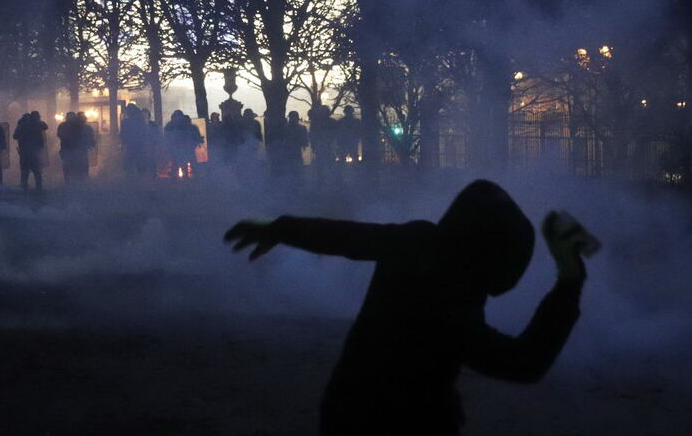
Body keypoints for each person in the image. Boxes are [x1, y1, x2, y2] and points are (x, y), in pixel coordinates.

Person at [224, 180, 590, 436]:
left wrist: (280, 228)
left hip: (345, 408)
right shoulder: (451, 304)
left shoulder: (416, 240)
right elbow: (522, 363)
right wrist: (569, 280)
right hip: (408, 423)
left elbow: (348, 237)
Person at [13, 111, 47, 192]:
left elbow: (15, 136)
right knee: (36, 170)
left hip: (25, 150)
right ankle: (38, 187)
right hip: (31, 150)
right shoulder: (35, 124)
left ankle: (25, 186)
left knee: (26, 170)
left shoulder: (22, 125)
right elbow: (45, 126)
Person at [57, 112, 80, 183]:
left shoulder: (75, 126)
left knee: (70, 164)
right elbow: (60, 135)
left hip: (69, 148)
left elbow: (59, 134)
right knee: (68, 164)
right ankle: (69, 179)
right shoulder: (75, 126)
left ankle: (70, 179)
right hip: (67, 148)